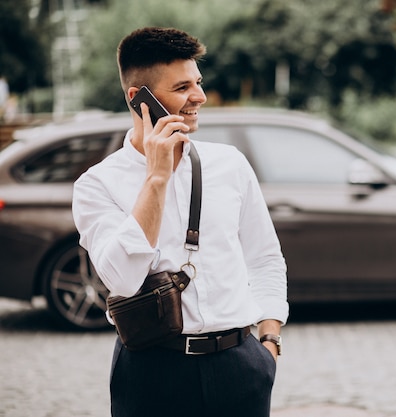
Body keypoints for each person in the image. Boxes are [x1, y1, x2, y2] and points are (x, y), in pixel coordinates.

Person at [72, 27, 288, 417]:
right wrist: (156, 179)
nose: (199, 97)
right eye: (182, 87)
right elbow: (122, 278)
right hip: (152, 372)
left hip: (239, 366)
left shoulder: (230, 164)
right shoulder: (97, 185)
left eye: (198, 83)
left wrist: (268, 345)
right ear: (140, 99)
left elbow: (265, 259)